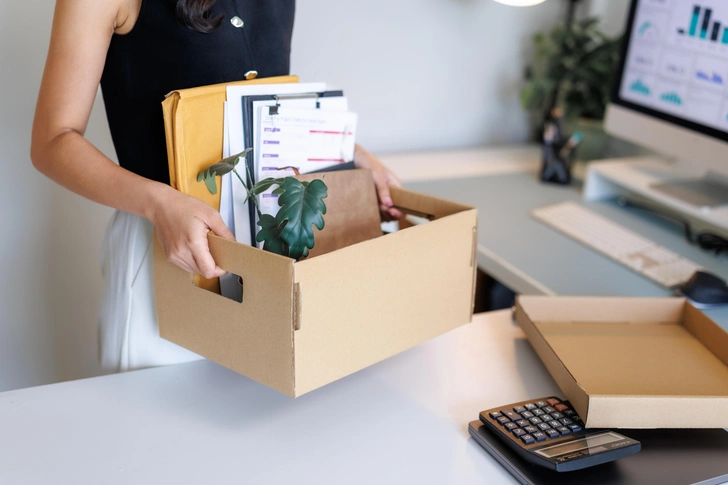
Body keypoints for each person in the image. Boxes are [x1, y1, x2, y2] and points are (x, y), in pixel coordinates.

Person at [31, 0, 403, 373]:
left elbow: (264, 108)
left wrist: (348, 155)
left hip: (270, 252)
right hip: (166, 253)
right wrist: (160, 204)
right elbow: (52, 141)